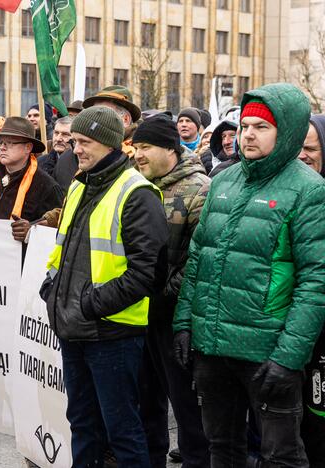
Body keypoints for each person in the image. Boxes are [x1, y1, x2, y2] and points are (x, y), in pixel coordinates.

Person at [173, 84, 325, 467]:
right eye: (245, 126)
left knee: (281, 456)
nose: (249, 134)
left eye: (261, 126)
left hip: (267, 351)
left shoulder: (310, 191)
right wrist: (184, 323)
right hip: (213, 347)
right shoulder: (224, 180)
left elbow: (316, 280)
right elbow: (199, 258)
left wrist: (289, 357)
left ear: (287, 131)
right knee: (221, 448)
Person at [40, 106, 168, 467]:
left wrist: (90, 304)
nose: (74, 149)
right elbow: (62, 252)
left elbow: (147, 273)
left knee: (122, 430)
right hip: (75, 328)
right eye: (74, 141)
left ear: (111, 145)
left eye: (84, 142)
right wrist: (51, 290)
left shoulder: (137, 193)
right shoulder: (81, 186)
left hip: (112, 333)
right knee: (83, 424)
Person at [132, 116, 211, 468]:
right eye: (135, 148)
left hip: (176, 320)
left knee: (187, 410)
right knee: (147, 404)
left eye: (145, 147)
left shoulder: (200, 190)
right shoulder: (136, 186)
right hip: (137, 314)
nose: (137, 155)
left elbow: (199, 261)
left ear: (170, 149)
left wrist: (163, 296)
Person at [299, 114, 325, 466]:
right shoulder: (297, 194)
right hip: (296, 334)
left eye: (310, 149)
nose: (302, 155)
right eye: (297, 148)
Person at [82, 85, 142, 158]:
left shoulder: (139, 152)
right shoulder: (83, 146)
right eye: (93, 113)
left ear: (125, 119)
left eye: (103, 114)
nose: (95, 119)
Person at [37, 115, 77, 194]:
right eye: (56, 133)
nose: (58, 139)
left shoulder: (82, 166)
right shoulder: (39, 162)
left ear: (75, 138)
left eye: (65, 134)